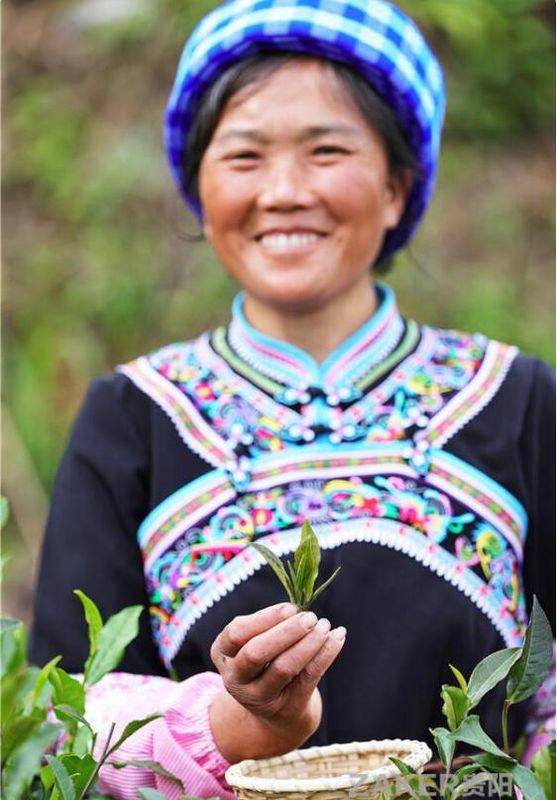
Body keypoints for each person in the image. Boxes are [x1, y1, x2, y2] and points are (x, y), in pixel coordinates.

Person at [29, 0, 555, 797]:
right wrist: (240, 726)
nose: (282, 191)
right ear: (199, 192)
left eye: (326, 151)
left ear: (395, 185)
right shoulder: (135, 416)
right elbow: (69, 714)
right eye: (243, 157)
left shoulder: (513, 400)